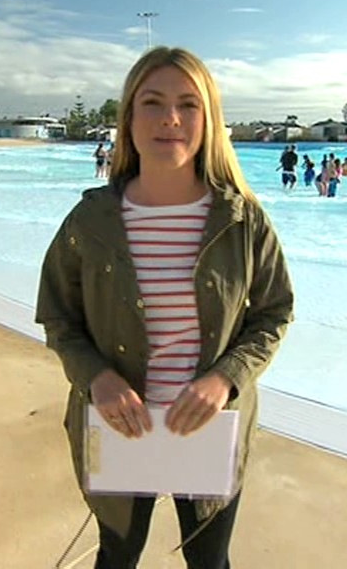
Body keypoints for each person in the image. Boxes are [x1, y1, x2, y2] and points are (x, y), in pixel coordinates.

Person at [34, 46, 295, 569]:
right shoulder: (90, 221)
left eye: (188, 104)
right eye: (152, 102)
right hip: (116, 423)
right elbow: (58, 316)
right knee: (117, 555)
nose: (170, 118)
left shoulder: (243, 220)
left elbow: (274, 313)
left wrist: (225, 379)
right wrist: (97, 379)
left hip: (211, 427)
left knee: (208, 560)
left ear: (209, 119)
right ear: (129, 118)